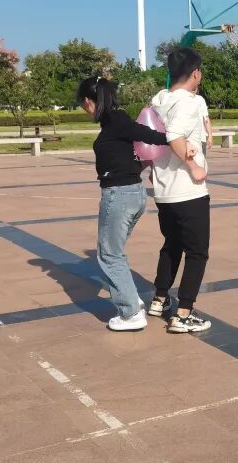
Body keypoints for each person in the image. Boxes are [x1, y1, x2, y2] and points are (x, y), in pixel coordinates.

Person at [77, 76, 181, 332]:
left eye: (82, 105)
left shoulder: (116, 120)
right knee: (115, 252)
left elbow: (149, 135)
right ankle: (131, 298)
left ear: (88, 101)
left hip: (120, 195)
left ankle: (130, 312)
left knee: (109, 254)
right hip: (132, 193)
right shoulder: (114, 121)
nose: (84, 109)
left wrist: (175, 139)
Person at [148, 46, 213, 333]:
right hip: (188, 190)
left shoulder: (160, 101)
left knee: (172, 245)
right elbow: (174, 135)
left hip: (165, 192)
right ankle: (183, 313)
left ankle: (160, 299)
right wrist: (194, 166)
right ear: (195, 73)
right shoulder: (188, 102)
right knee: (197, 252)